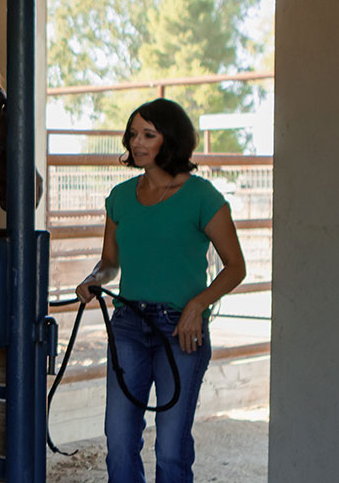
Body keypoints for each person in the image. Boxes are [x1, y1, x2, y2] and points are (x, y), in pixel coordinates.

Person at [75, 98, 245, 483]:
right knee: (118, 444)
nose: (137, 142)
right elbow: (109, 262)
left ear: (171, 139)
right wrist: (93, 279)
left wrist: (196, 306)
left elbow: (236, 267)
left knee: (170, 451)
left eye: (148, 134)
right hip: (128, 327)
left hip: (181, 332)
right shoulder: (119, 198)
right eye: (133, 134)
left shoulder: (202, 197)